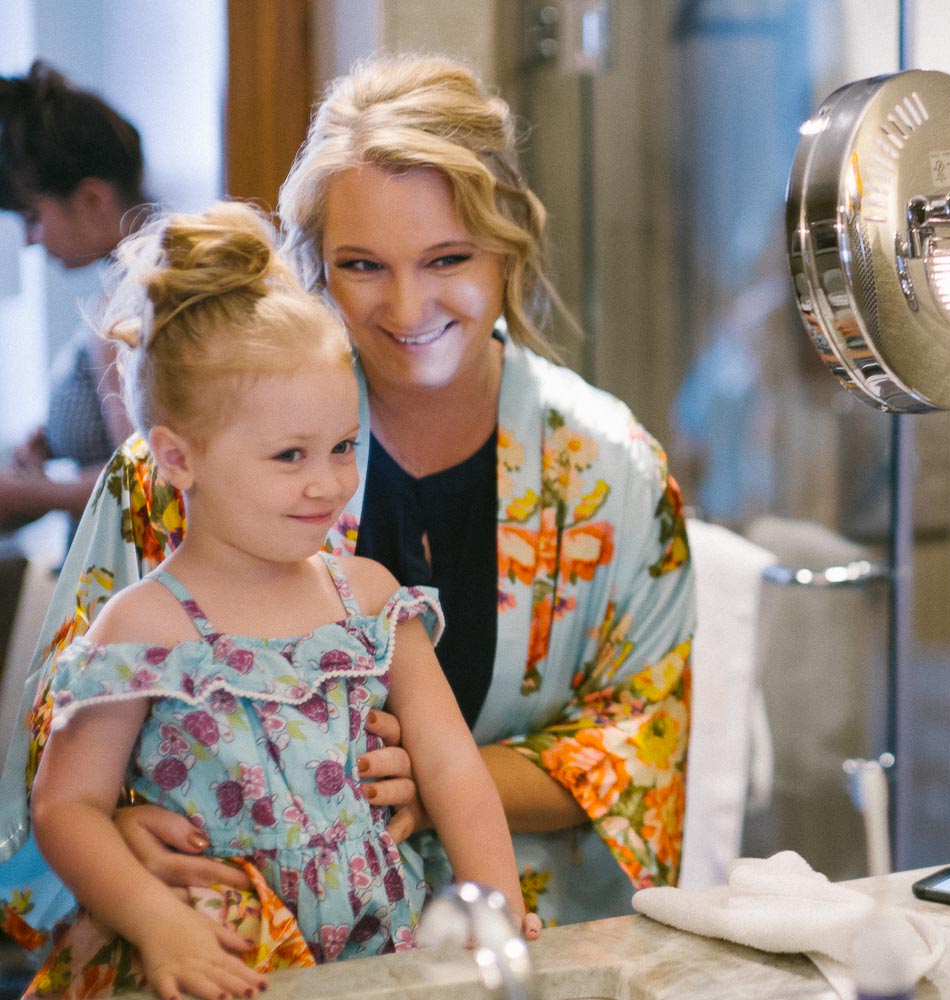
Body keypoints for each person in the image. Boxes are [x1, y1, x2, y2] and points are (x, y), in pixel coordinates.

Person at [0, 53, 695, 943]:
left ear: (510, 242)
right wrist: (120, 828)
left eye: (448, 257)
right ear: (314, 265)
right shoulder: (178, 466)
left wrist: (445, 779)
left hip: (516, 932)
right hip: (233, 943)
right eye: (362, 264)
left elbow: (644, 746)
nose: (408, 309)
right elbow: (61, 753)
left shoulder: (613, 477)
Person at [24, 202, 539, 1000]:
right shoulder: (141, 626)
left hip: (374, 962)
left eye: (342, 447)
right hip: (212, 965)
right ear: (177, 457)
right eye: (290, 455)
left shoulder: (368, 598)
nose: (328, 482)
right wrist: (159, 926)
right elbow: (66, 808)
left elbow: (451, 767)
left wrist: (494, 907)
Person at [0, 61, 138, 532]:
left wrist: (28, 495)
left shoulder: (130, 307)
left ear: (92, 199)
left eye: (32, 216)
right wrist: (53, 440)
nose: (29, 240)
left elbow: (147, 480)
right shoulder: (124, 290)